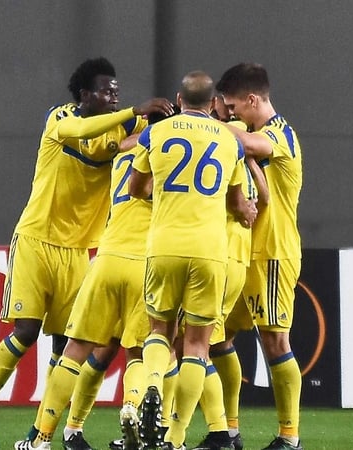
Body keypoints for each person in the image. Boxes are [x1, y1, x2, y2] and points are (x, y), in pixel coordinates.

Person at [0, 57, 175, 450]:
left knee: (67, 345)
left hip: (79, 250)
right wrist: (134, 113)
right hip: (36, 238)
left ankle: (42, 434)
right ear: (84, 95)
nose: (113, 97)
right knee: (26, 331)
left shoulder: (127, 127)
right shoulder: (60, 118)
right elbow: (81, 129)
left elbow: (157, 139)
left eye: (117, 91)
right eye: (105, 91)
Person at [128, 71, 256, 450]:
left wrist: (166, 193)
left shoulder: (156, 134)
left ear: (180, 101)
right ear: (212, 102)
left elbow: (136, 188)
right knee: (198, 346)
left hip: (165, 245)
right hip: (210, 251)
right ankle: (176, 436)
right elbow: (237, 203)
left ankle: (152, 383)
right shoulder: (229, 142)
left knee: (158, 332)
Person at [14, 136, 158, 450]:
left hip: (106, 259)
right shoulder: (168, 159)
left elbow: (123, 145)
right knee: (137, 352)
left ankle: (41, 438)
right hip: (145, 265)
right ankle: (131, 406)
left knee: (76, 350)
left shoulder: (123, 158)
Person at [216, 63, 304, 450]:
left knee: (275, 341)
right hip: (241, 253)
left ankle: (290, 438)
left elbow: (253, 147)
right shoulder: (249, 131)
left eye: (234, 105)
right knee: (218, 335)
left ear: (253, 99)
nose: (231, 112)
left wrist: (200, 121)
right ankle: (228, 432)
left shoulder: (279, 133)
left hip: (272, 250)